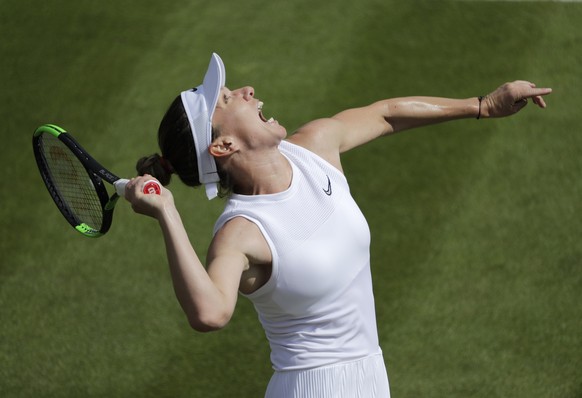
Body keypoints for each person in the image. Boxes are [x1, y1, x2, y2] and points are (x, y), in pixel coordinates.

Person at [124, 53, 552, 397]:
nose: (247, 90)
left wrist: (482, 106)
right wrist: (168, 214)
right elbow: (210, 313)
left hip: (371, 377)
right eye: (228, 98)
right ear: (223, 144)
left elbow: (386, 114)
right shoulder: (240, 232)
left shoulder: (314, 147)